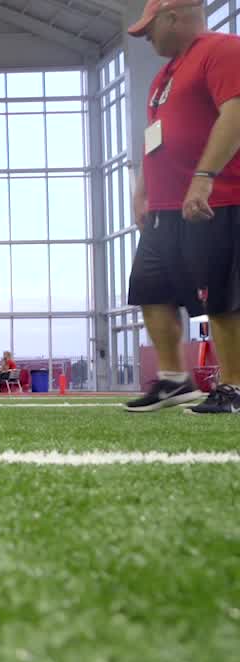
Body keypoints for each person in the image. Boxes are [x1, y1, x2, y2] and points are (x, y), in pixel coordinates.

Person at [125, 0, 240, 414]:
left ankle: (234, 385)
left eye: (149, 29)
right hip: (166, 209)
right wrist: (142, 189)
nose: (146, 38)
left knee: (222, 296)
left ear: (172, 18)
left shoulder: (222, 50)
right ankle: (175, 380)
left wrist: (204, 177)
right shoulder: (164, 76)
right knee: (149, 288)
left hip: (218, 198)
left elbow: (236, 111)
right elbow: (155, 137)